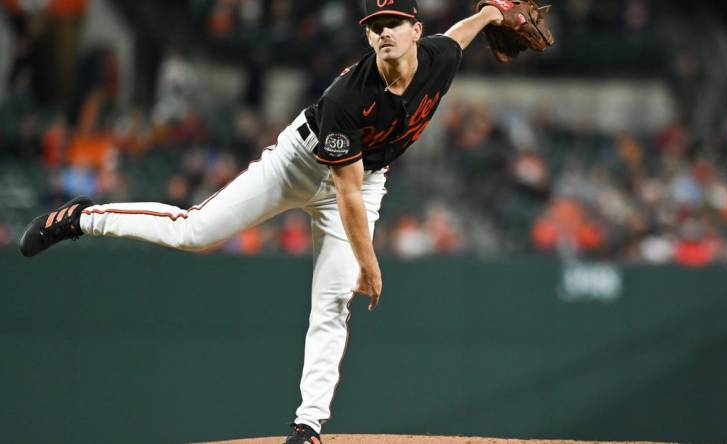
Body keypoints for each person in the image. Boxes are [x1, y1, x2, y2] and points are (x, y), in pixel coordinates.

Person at [18, 1, 543, 443]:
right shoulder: (348, 96)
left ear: (415, 31)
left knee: (332, 301)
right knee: (195, 231)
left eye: (394, 23)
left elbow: (464, 30)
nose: (384, 32)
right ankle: (83, 217)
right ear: (368, 35)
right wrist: (369, 261)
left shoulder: (441, 58)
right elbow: (346, 192)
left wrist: (493, 11)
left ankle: (308, 426)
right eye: (375, 25)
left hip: (368, 177)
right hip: (301, 162)